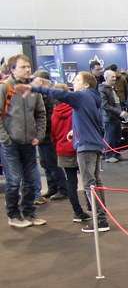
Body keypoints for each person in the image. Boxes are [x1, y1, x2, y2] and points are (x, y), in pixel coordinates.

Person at [18, 71, 110, 233]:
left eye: (76, 80)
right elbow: (94, 122)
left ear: (86, 84)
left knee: (90, 184)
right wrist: (76, 131)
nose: (73, 82)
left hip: (86, 147)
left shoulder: (81, 96)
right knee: (96, 182)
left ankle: (100, 220)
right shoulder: (93, 98)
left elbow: (58, 93)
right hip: (94, 144)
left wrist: (35, 88)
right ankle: (101, 216)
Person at [1, 55, 47, 228]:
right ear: (12, 69)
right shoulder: (5, 88)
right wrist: (5, 138)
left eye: (28, 66)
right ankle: (13, 215)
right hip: (10, 143)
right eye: (23, 67)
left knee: (30, 181)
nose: (27, 69)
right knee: (14, 181)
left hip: (29, 142)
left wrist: (39, 135)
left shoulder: (33, 89)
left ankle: (29, 213)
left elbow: (41, 114)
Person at [50, 85, 91, 223]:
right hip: (80, 148)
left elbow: (54, 134)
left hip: (63, 150)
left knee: (71, 182)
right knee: (88, 179)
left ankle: (77, 212)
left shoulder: (55, 113)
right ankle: (92, 206)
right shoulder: (76, 109)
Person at [31, 70, 68, 201]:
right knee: (45, 163)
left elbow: (49, 118)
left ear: (41, 81)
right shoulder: (41, 95)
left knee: (52, 163)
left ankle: (62, 189)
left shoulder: (50, 96)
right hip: (42, 136)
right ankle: (53, 188)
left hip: (49, 136)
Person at [99, 69, 127, 162]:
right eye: (112, 77)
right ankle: (108, 155)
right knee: (109, 137)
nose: (115, 78)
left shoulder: (112, 88)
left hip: (116, 117)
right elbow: (105, 105)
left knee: (117, 137)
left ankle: (116, 153)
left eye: (115, 76)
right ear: (106, 78)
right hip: (109, 118)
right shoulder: (102, 89)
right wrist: (119, 112)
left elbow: (116, 102)